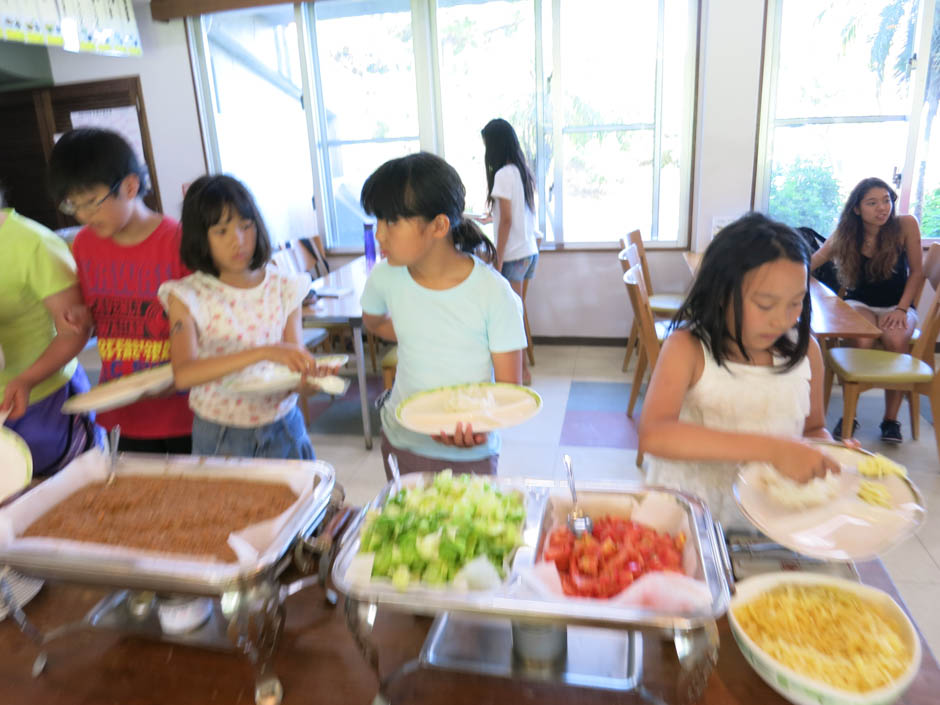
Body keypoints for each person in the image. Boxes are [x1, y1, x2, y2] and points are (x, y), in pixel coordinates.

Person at [638, 213, 839, 530]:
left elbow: (814, 428)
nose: (781, 320)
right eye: (764, 304)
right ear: (720, 294)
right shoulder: (687, 349)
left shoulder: (807, 352)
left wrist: (827, 456)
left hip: (769, 521)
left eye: (795, 303)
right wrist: (774, 449)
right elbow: (654, 434)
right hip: (691, 517)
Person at [360, 152, 527, 479]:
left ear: (438, 225)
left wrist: (479, 428)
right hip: (401, 442)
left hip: (471, 452)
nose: (379, 234)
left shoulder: (493, 293)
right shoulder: (385, 276)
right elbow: (373, 320)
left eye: (391, 221)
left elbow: (510, 391)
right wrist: (415, 332)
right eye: (378, 220)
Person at [48, 128, 194, 454]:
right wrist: (82, 317)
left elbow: (209, 324)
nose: (84, 215)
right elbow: (99, 312)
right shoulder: (85, 245)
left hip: (183, 409)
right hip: (122, 412)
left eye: (91, 202)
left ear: (130, 187)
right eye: (74, 204)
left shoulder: (180, 241)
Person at [158, 175, 324, 459]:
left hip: (284, 427)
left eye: (246, 227)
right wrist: (264, 352)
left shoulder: (284, 287)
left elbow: (295, 367)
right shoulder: (186, 295)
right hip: (221, 434)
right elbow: (185, 374)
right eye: (221, 231)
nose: (238, 241)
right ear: (201, 237)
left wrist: (310, 380)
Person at [811, 177, 924, 444]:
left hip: (898, 304)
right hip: (859, 302)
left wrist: (901, 308)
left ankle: (890, 420)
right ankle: (852, 413)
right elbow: (814, 260)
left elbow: (918, 273)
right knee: (860, 337)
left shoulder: (906, 225)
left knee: (896, 340)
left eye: (886, 200)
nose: (882, 208)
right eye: (872, 203)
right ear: (857, 209)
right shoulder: (847, 232)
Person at [0, 199, 101, 475]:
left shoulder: (32, 243)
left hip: (43, 403)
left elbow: (75, 329)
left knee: (73, 500)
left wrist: (27, 379)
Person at [479, 118, 539, 385]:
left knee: (513, 313)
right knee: (519, 309)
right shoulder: (521, 170)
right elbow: (512, 214)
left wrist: (497, 260)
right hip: (529, 251)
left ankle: (523, 371)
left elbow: (506, 221)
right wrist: (489, 218)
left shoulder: (503, 174)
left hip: (513, 254)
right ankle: (524, 367)